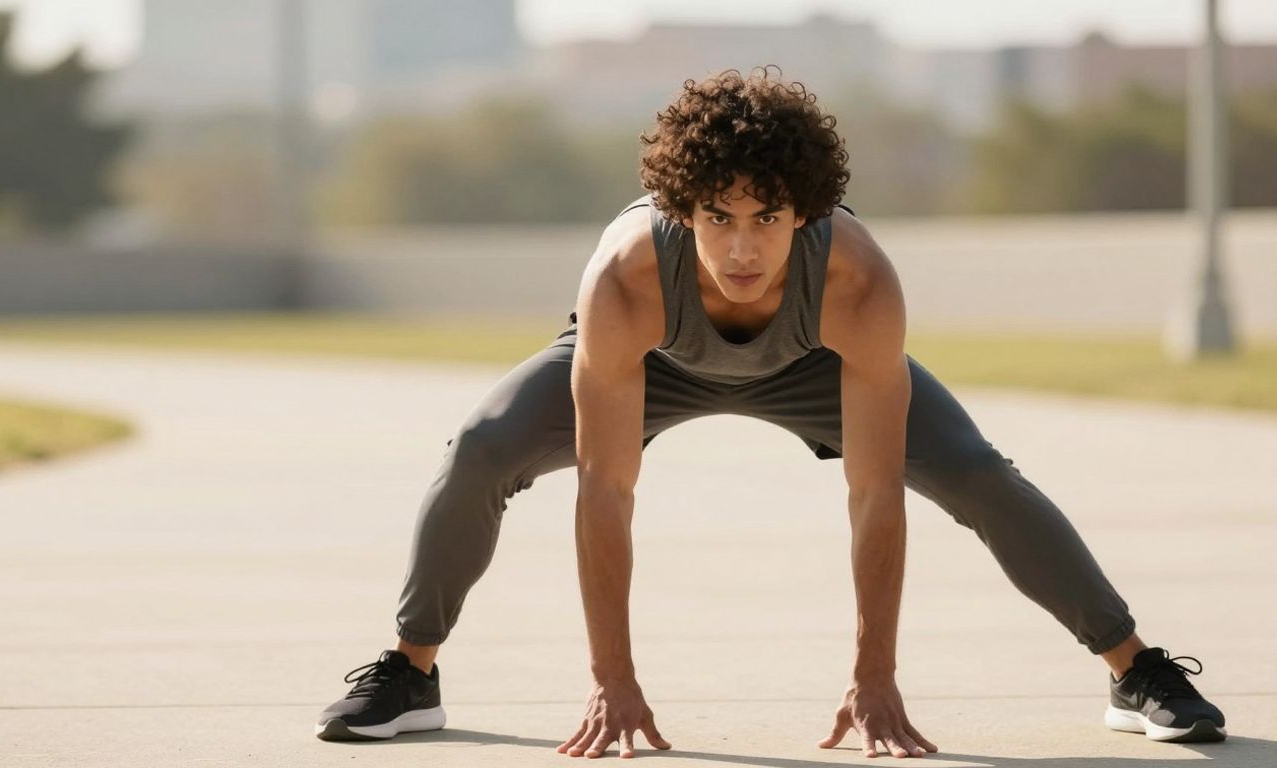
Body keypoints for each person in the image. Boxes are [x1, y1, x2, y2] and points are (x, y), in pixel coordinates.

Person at [314, 66, 1226, 758]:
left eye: (769, 216)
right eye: (717, 217)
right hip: (654, 359)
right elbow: (606, 491)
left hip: (816, 364)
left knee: (977, 473)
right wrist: (613, 679)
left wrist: (876, 675)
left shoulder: (858, 282)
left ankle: (1134, 669)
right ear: (681, 208)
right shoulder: (627, 279)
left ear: (807, 208)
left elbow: (874, 495)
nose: (743, 246)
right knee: (479, 448)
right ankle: (411, 672)